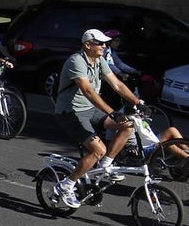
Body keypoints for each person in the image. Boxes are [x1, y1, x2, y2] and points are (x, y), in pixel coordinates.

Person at [51, 29, 142, 209]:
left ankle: (106, 164)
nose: (104, 46)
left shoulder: (99, 60)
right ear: (87, 45)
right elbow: (88, 91)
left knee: (127, 126)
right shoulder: (76, 61)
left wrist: (138, 102)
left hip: (89, 110)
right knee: (97, 149)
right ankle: (66, 185)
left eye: (105, 43)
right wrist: (111, 112)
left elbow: (116, 84)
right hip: (70, 113)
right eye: (100, 43)